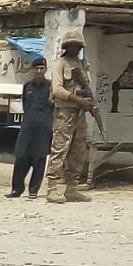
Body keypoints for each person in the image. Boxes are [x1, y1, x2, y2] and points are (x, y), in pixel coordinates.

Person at [45, 32, 94, 203]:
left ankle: (72, 188)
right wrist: (77, 99)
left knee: (78, 151)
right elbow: (57, 90)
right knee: (59, 150)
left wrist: (87, 103)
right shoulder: (60, 64)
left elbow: (86, 87)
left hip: (79, 113)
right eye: (72, 45)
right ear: (66, 47)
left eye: (78, 46)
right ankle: (52, 188)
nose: (75, 48)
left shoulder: (83, 65)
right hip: (64, 113)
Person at [6, 58, 53, 199]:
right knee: (21, 157)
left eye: (41, 68)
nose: (39, 71)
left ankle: (33, 191)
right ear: (32, 70)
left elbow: (53, 107)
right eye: (36, 68)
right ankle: (17, 189)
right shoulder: (27, 87)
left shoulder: (50, 87)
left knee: (39, 159)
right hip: (27, 127)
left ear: (45, 69)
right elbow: (25, 105)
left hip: (43, 128)